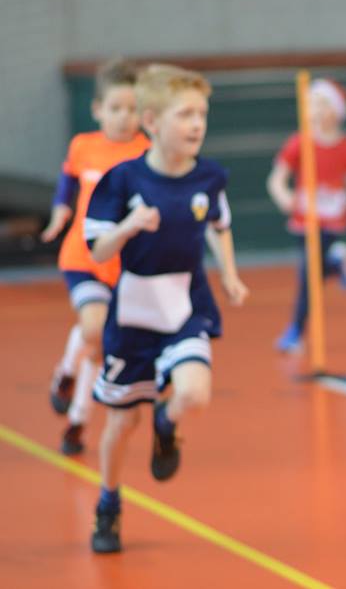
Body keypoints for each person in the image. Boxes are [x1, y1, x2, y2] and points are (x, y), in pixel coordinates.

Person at [84, 63, 248, 554]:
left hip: (185, 303)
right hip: (134, 312)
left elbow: (219, 225)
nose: (197, 124)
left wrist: (230, 274)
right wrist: (129, 225)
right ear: (152, 121)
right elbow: (98, 250)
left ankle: (167, 422)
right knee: (121, 423)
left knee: (194, 393)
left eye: (202, 114)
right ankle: (108, 504)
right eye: (185, 115)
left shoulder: (210, 177)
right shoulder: (122, 180)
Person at [40, 58, 150, 455]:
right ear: (98, 109)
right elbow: (68, 179)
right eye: (116, 108)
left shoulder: (146, 153)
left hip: (121, 266)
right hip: (82, 258)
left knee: (102, 346)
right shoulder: (83, 146)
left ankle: (77, 422)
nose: (124, 117)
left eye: (133, 109)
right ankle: (65, 372)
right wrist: (60, 212)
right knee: (93, 327)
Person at [266, 78, 346, 353]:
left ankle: (295, 330)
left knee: (308, 277)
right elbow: (276, 178)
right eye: (311, 104)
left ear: (336, 112)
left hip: (332, 218)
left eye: (322, 105)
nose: (314, 111)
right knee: (311, 275)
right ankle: (336, 265)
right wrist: (284, 196)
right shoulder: (299, 143)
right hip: (304, 220)